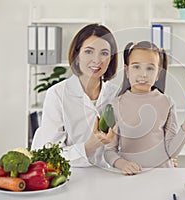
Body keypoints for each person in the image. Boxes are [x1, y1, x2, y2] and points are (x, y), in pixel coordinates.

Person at [104, 41, 185, 175]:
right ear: (127, 70)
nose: (143, 74)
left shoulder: (167, 102)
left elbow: (172, 152)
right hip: (131, 177)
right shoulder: (115, 105)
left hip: (162, 176)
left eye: (150, 68)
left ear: (158, 73)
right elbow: (109, 151)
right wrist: (122, 164)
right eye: (136, 67)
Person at [31, 24, 119, 167]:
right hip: (70, 175)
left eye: (104, 53)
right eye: (89, 51)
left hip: (109, 174)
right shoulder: (57, 94)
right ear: (77, 56)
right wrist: (90, 146)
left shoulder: (117, 94)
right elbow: (50, 155)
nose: (97, 60)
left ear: (110, 59)